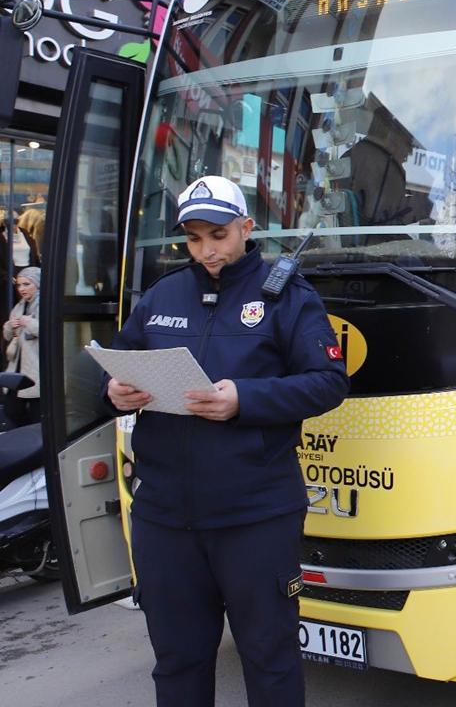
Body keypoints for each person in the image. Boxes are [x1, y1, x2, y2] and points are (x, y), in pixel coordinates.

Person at [104, 176, 349, 707]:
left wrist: (245, 399)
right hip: (165, 517)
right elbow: (121, 361)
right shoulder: (162, 295)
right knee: (177, 661)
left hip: (254, 517)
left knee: (269, 658)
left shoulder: (288, 297)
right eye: (193, 239)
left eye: (217, 234)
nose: (206, 250)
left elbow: (330, 382)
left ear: (246, 227)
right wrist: (115, 390)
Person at [3, 266, 40, 426]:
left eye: (26, 284)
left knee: (36, 409)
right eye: (19, 285)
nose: (21, 289)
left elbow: (49, 330)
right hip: (17, 364)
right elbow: (7, 336)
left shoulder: (44, 303)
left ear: (37, 283)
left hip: (35, 365)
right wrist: (10, 326)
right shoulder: (19, 306)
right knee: (11, 409)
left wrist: (28, 322)